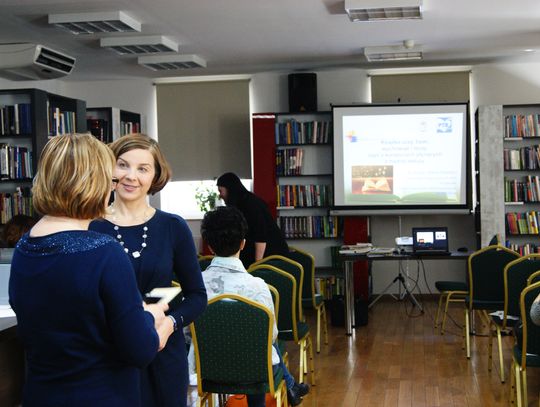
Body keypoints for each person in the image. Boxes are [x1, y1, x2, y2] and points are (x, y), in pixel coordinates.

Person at [9, 133, 169, 407]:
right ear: (92, 184)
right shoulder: (104, 253)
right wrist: (157, 321)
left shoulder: (24, 248)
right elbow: (140, 350)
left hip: (41, 396)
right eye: (110, 179)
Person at [90, 133, 207, 407]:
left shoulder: (172, 226)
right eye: (123, 165)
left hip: (163, 352)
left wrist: (169, 324)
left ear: (155, 177)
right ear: (109, 169)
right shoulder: (91, 226)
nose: (131, 176)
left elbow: (196, 296)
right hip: (109, 355)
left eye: (143, 169)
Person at [200, 206, 309, 406]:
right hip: (253, 373)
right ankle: (289, 385)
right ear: (243, 243)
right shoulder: (258, 287)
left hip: (208, 371)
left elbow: (189, 335)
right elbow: (272, 335)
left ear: (209, 247)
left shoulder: (196, 286)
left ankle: (291, 384)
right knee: (263, 347)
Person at [216, 172, 289, 268]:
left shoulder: (251, 204)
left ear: (229, 189)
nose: (220, 195)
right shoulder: (240, 203)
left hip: (272, 257)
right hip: (258, 252)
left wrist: (257, 266)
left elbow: (260, 237)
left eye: (221, 191)